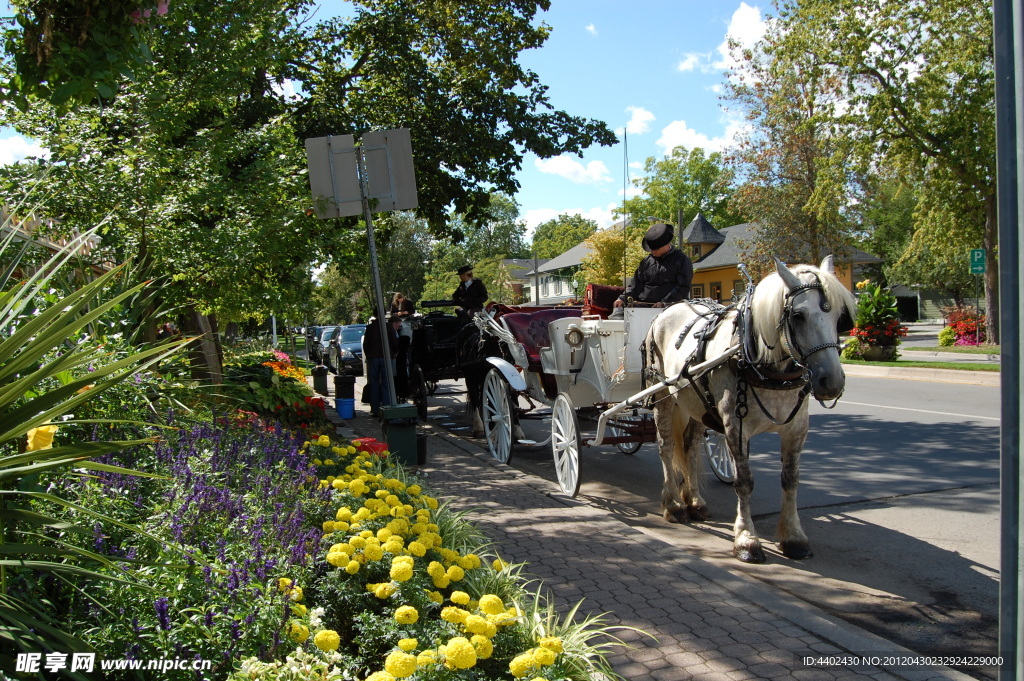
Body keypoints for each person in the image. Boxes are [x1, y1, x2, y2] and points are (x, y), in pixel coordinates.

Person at [613, 222, 692, 315]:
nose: (652, 251)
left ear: (666, 244)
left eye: (655, 249)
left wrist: (664, 303)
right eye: (651, 248)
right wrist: (622, 298)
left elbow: (683, 287)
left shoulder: (682, 260)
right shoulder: (646, 262)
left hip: (672, 308)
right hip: (643, 307)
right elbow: (635, 285)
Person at [362, 311, 399, 417]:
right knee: (386, 384)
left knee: (374, 383)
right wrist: (395, 352)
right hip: (386, 357)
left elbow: (366, 344)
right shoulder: (388, 327)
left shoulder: (370, 328)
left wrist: (369, 355)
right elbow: (395, 342)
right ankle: (386, 407)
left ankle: (375, 408)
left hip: (373, 358)